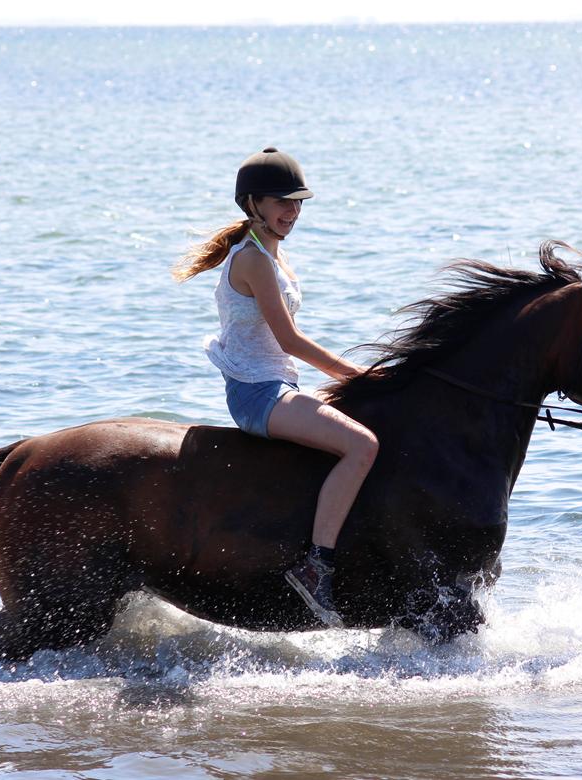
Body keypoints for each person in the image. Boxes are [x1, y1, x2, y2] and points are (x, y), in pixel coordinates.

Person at [173, 147, 379, 627]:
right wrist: (357, 375)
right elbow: (289, 339)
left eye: (298, 202)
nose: (292, 211)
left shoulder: (271, 254)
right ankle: (316, 565)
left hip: (277, 385)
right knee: (362, 446)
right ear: (253, 204)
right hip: (258, 394)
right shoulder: (254, 261)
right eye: (281, 201)